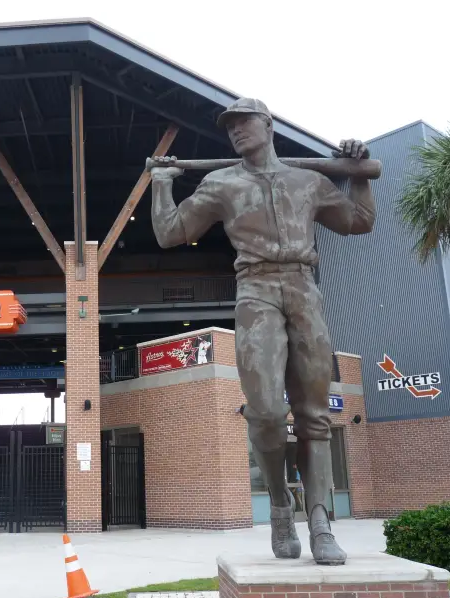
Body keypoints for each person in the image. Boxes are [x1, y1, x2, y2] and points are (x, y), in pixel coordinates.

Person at [149, 98, 375, 565]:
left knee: (314, 415)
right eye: (229, 127)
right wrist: (160, 185)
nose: (235, 132)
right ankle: (277, 503)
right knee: (267, 411)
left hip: (304, 287)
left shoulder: (308, 181)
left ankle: (318, 522)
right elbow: (170, 232)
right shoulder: (223, 183)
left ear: (267, 125)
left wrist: (356, 175)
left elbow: (359, 222)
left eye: (243, 123)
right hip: (255, 290)